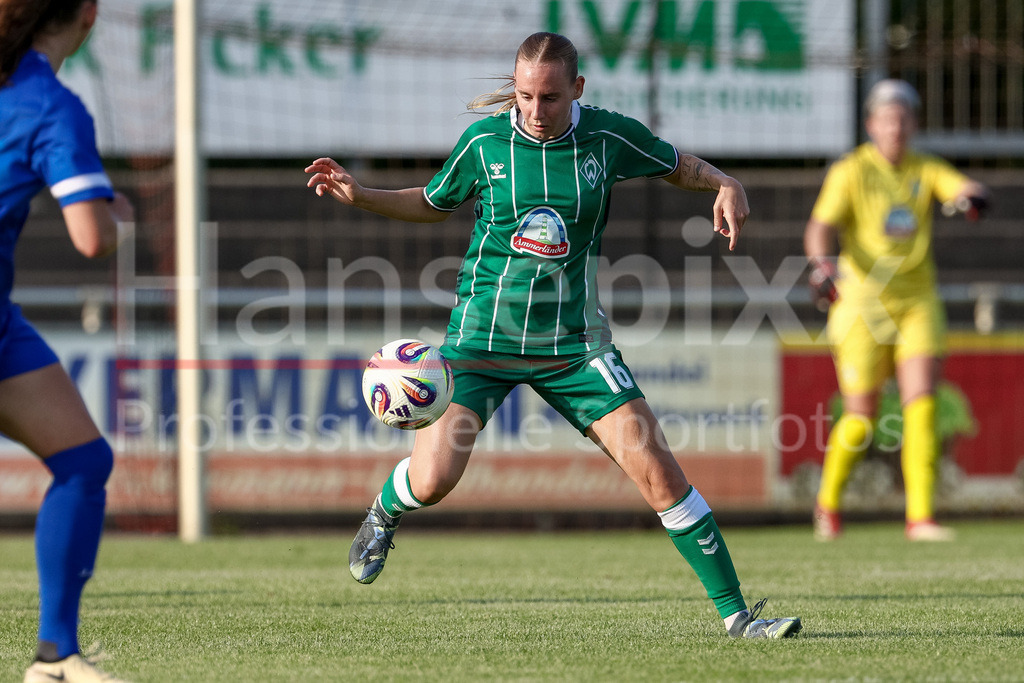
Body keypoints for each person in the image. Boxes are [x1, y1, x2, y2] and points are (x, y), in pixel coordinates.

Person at [307, 32, 801, 639]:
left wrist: (725, 182)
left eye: (550, 98)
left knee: (659, 472)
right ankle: (384, 511)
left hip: (574, 348)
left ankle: (738, 619)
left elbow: (678, 166)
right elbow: (433, 203)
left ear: (578, 91)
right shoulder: (485, 141)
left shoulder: (608, 136)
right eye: (524, 97)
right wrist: (362, 196)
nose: (535, 112)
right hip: (480, 343)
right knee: (433, 481)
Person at [0, 1, 135, 680]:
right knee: (82, 467)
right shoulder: (50, 103)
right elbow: (90, 237)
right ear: (87, 14)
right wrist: (118, 214)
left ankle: (54, 660)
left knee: (82, 457)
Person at [804, 79, 989, 543]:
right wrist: (822, 265)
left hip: (917, 303)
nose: (896, 126)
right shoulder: (851, 170)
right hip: (861, 305)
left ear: (914, 123)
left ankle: (920, 518)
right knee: (861, 416)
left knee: (921, 404)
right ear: (871, 124)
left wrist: (972, 197)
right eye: (887, 118)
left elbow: (961, 187)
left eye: (904, 118)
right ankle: (827, 505)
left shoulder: (924, 168)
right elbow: (819, 227)